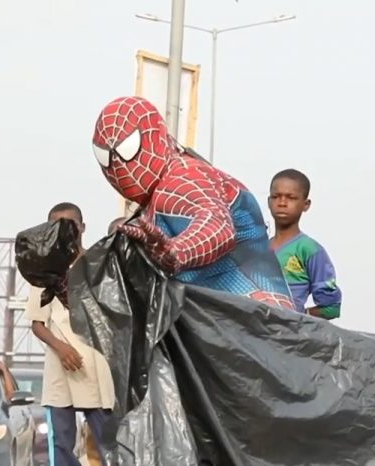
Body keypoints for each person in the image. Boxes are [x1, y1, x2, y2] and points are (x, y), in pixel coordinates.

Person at [91, 96, 295, 310]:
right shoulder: (148, 212)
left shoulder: (182, 176)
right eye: (106, 156)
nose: (117, 164)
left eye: (126, 150)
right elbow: (116, 306)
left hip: (256, 311)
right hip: (218, 320)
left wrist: (178, 251)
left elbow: (217, 227)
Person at [26, 202, 115, 466]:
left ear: (82, 227)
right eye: (57, 225)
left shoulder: (101, 264)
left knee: (110, 448)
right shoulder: (43, 270)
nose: (64, 231)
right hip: (61, 369)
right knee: (61, 446)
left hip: (99, 369)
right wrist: (61, 348)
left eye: (70, 224)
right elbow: (37, 323)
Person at [267, 169, 342, 319]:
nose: (282, 203)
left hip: (285, 336)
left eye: (291, 197)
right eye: (276, 197)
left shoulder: (309, 250)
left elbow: (332, 308)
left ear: (305, 204)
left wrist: (299, 315)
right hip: (251, 333)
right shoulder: (257, 248)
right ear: (269, 202)